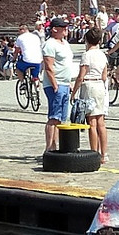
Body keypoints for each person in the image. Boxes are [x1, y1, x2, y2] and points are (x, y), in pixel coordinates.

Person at [41, 17, 77, 156]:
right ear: (55, 29)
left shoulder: (65, 43)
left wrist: (69, 82)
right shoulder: (50, 44)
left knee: (62, 118)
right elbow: (49, 66)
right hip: (55, 84)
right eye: (63, 27)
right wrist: (54, 84)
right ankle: (50, 147)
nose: (66, 29)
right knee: (54, 117)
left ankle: (56, 145)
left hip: (65, 83)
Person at [76, 28, 109, 163]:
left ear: (86, 40)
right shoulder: (102, 55)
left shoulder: (87, 55)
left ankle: (94, 153)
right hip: (100, 86)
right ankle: (104, 154)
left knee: (92, 123)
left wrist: (74, 93)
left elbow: (81, 76)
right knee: (101, 121)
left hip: (89, 86)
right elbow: (104, 75)